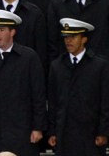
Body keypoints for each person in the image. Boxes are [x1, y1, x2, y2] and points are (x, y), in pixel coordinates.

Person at [0, 11, 46, 156]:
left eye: (2, 30)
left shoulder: (29, 58)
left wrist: (38, 127)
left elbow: (38, 96)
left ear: (13, 32)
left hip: (23, 132)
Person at [46, 18, 109, 156]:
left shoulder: (99, 66)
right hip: (64, 134)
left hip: (90, 135)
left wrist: (103, 132)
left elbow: (105, 102)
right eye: (66, 37)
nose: (68, 41)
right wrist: (52, 131)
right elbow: (53, 102)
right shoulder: (57, 66)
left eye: (73, 37)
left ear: (84, 39)